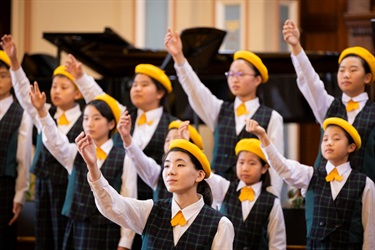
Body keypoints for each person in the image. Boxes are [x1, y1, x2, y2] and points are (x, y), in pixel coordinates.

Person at [65, 55, 176, 249]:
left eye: (144, 84)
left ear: (160, 92)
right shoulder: (124, 116)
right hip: (121, 202)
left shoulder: (172, 125)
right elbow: (99, 99)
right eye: (134, 85)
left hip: (154, 202)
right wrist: (81, 77)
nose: (136, 89)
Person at [164, 28, 284, 197]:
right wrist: (179, 57)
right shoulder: (219, 109)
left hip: (255, 197)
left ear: (257, 80)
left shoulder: (272, 117)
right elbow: (195, 90)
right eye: (231, 74)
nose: (234, 79)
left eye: (241, 74)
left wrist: (272, 199)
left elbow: (276, 163)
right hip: (218, 193)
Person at [75, 134, 235, 250]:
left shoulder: (220, 225)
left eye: (180, 165)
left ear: (199, 175)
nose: (170, 171)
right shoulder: (150, 211)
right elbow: (112, 205)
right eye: (167, 165)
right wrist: (93, 167)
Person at [1, 34, 83, 250]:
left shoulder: (87, 121)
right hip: (44, 185)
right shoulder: (45, 112)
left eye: (63, 87)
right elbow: (24, 92)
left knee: (62, 239)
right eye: (54, 86)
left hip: (67, 187)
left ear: (78, 93)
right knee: (42, 238)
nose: (56, 91)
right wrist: (15, 62)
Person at [29, 81, 130, 250]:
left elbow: (128, 196)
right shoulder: (75, 152)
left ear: (111, 124)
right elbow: (54, 141)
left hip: (107, 229)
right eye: (85, 118)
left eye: (96, 118)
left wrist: (125, 242)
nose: (89, 124)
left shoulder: (124, 157)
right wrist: (41, 111)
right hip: (77, 228)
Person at [247, 117, 375, 249]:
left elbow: (370, 232)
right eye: (325, 139)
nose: (329, 143)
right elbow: (282, 166)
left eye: (336, 139)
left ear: (351, 147)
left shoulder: (365, 183)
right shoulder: (309, 175)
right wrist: (262, 136)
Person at [283, 19, 375, 182]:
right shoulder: (328, 105)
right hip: (324, 187)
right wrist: (296, 46)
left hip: (363, 191)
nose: (346, 74)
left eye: (353, 70)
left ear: (367, 77)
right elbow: (309, 80)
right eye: (342, 70)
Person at [206, 138, 286, 249]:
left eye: (252, 163)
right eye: (241, 162)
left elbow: (277, 242)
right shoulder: (225, 188)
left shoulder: (272, 202)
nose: (245, 168)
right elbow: (207, 176)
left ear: (264, 168)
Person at [118, 111, 204, 200]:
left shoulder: (207, 179)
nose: (170, 143)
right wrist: (126, 138)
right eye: (167, 140)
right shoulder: (160, 174)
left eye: (177, 139)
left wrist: (186, 147)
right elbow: (139, 159)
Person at [0, 50, 32, 250]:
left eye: (3, 76)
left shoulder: (22, 114)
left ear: (12, 80)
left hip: (5, 186)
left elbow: (24, 157)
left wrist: (20, 194)